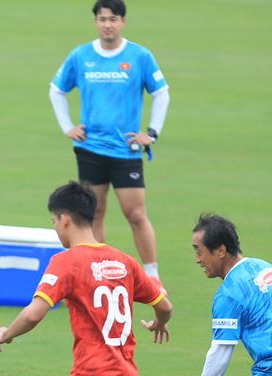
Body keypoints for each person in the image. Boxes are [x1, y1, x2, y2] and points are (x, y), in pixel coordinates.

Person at [0, 181, 173, 376]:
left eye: (53, 221)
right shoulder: (125, 261)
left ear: (64, 219)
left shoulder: (67, 261)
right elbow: (165, 306)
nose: (55, 227)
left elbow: (34, 313)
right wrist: (160, 322)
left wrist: (6, 334)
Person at [48, 0, 170, 294]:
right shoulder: (81, 56)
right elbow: (56, 89)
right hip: (91, 149)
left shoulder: (139, 56)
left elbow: (162, 93)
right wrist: (67, 126)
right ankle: (97, 272)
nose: (107, 24)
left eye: (113, 19)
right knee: (95, 213)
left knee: (136, 214)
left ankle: (152, 275)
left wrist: (151, 133)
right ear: (96, 22)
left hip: (125, 151)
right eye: (102, 19)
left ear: (123, 22)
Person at [176, 214, 272, 376]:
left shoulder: (229, 294)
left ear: (220, 250)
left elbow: (220, 354)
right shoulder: (262, 266)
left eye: (199, 251)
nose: (197, 259)